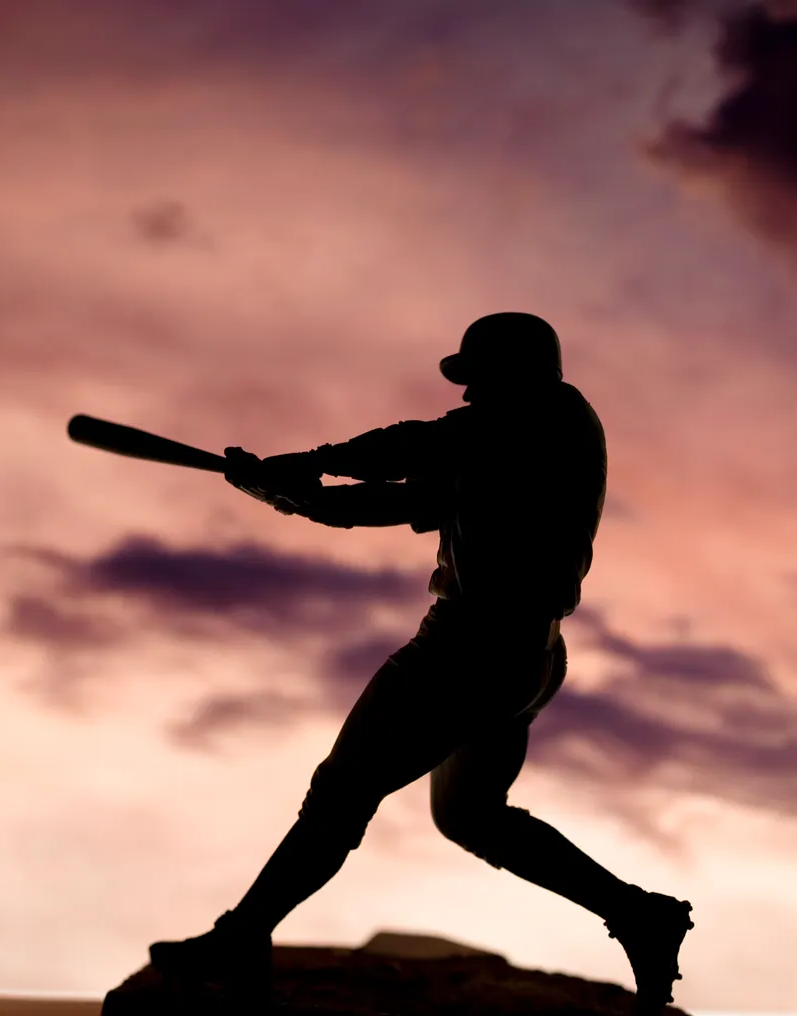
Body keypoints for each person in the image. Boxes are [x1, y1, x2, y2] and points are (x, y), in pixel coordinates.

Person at [147, 313, 694, 1015]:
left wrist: (309, 460)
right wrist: (287, 492)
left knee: (340, 794)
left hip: (464, 652)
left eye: (477, 380)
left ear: (516, 374)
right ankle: (639, 914)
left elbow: (415, 446)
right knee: (470, 815)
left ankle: (241, 936)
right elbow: (397, 498)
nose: (466, 396)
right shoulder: (508, 444)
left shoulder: (546, 418)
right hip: (524, 656)